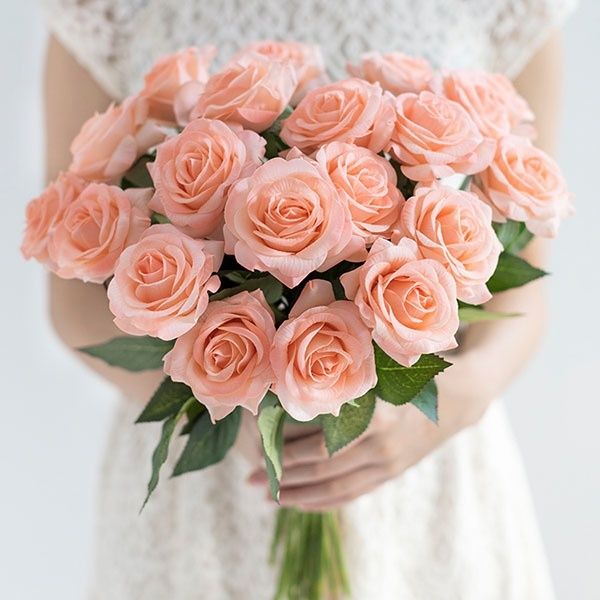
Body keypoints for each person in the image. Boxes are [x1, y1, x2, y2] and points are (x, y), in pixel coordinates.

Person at [41, 1, 576, 598]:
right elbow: (72, 291)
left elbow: (522, 289)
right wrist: (215, 401)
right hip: (207, 473)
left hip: (419, 457)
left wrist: (457, 398)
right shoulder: (103, 10)